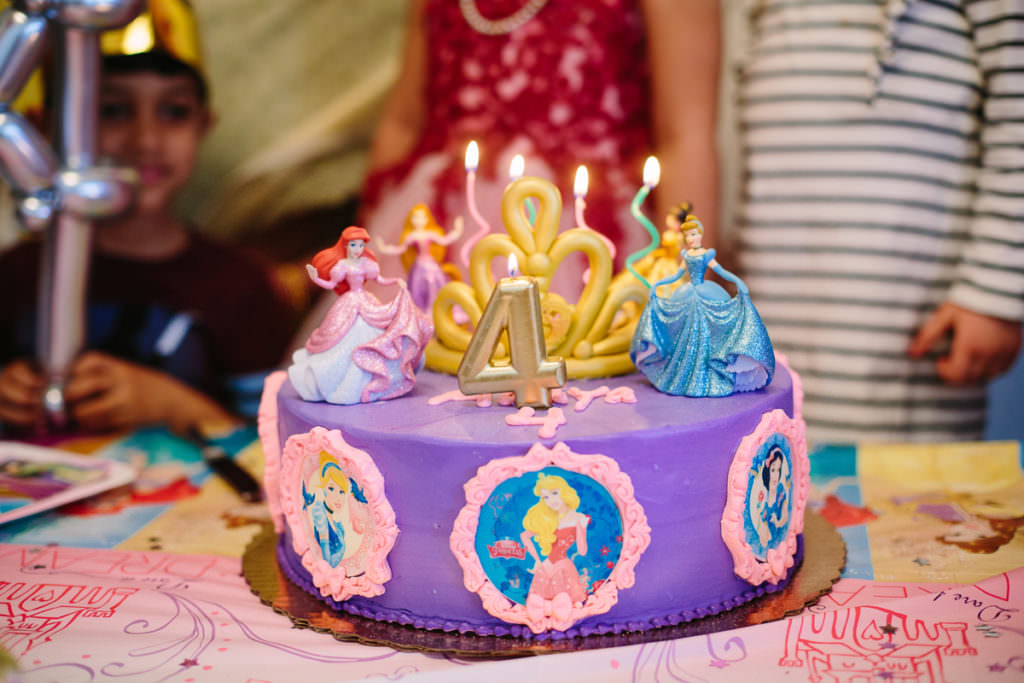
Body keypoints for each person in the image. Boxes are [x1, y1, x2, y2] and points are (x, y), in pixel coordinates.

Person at [0, 4, 295, 435]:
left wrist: (172, 405)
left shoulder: (242, 287)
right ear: (44, 128)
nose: (146, 141)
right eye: (113, 111)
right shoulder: (15, 275)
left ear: (203, 125)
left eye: (173, 112)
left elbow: (278, 448)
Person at [735, 1, 1023, 442]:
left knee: (910, 489)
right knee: (778, 445)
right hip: (785, 268)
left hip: (909, 310)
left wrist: (996, 288)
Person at [360, 0, 722, 279]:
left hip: (580, 244)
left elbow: (684, 139)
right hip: (427, 239)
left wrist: (685, 288)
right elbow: (403, 121)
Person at [630, 214, 774, 397]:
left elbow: (721, 271)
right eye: (688, 235)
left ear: (700, 234)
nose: (691, 238)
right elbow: (676, 276)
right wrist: (659, 285)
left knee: (709, 334)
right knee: (684, 335)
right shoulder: (685, 255)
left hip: (707, 293)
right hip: (688, 293)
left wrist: (739, 282)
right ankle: (683, 375)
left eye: (694, 234)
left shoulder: (707, 254)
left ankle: (710, 373)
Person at [288, 226, 433, 405]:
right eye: (353, 245)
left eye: (360, 245)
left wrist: (396, 281)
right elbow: (331, 284)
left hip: (366, 302)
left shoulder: (367, 264)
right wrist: (315, 277)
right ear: (346, 246)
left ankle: (378, 378)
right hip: (348, 304)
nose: (357, 249)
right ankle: (345, 378)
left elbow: (379, 279)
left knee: (376, 334)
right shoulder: (341, 266)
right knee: (343, 337)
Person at [374, 203, 463, 311]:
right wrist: (384, 248)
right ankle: (422, 310)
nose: (419, 220)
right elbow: (401, 249)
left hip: (431, 265)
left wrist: (457, 230)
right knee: (417, 288)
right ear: (411, 219)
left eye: (422, 217)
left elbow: (445, 240)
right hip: (419, 267)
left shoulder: (430, 234)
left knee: (436, 284)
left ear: (427, 218)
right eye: (416, 217)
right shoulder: (410, 236)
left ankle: (439, 309)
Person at [521, 473, 589, 604]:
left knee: (566, 601)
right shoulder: (548, 520)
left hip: (563, 569)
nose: (551, 500)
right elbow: (524, 536)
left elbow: (582, 551)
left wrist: (582, 528)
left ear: (564, 492)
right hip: (545, 568)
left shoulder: (578, 518)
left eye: (554, 493)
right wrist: (537, 560)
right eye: (546, 497)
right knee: (538, 601)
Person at [303, 452, 371, 576]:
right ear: (323, 489)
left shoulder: (335, 522)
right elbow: (327, 563)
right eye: (331, 488)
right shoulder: (321, 516)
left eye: (341, 491)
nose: (337, 497)